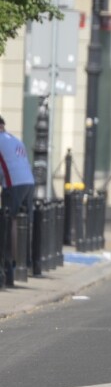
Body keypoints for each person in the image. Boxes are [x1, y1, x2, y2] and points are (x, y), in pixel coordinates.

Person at [0, 115, 36, 285]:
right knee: (25, 223)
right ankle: (25, 263)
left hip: (13, 184)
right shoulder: (15, 139)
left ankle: (12, 265)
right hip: (28, 182)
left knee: (11, 221)